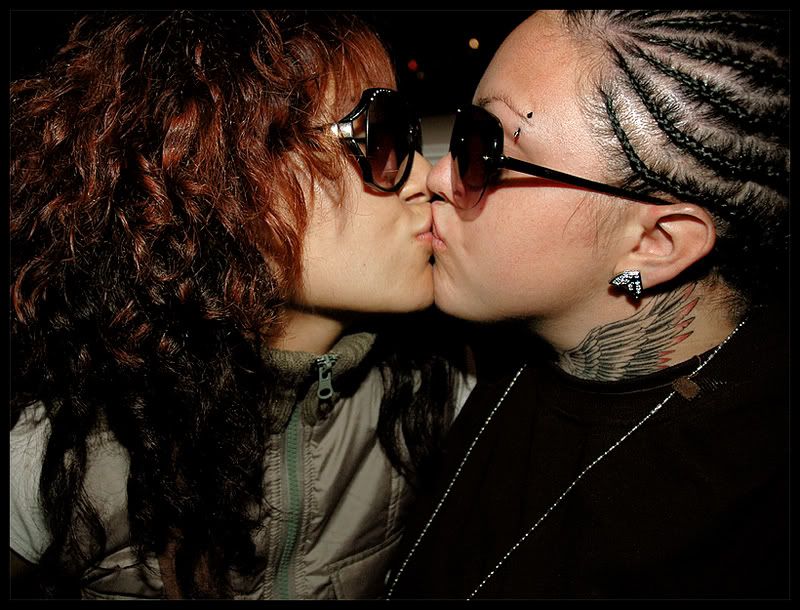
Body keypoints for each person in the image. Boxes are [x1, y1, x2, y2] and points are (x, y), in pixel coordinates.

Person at [9, 10, 474, 599]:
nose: (425, 176)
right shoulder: (69, 449)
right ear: (225, 178)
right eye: (378, 137)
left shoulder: (432, 394)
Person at [387, 9, 789, 599]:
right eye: (462, 129)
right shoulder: (468, 352)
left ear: (655, 244)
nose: (440, 176)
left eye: (484, 153)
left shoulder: (733, 535)